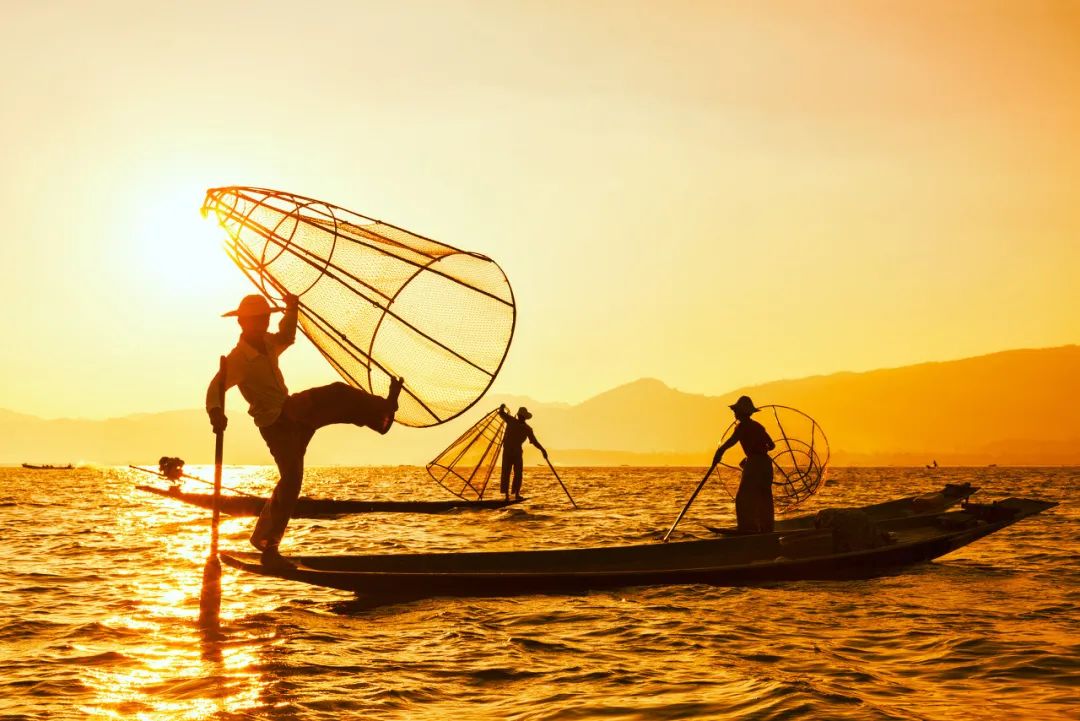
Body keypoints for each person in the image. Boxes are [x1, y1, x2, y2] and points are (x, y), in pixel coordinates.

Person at [206, 293, 403, 569]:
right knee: (291, 479)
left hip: (292, 411)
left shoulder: (267, 343)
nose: (261, 324)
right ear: (242, 323)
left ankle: (381, 412)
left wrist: (292, 307)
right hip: (276, 423)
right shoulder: (238, 359)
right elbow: (216, 388)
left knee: (336, 396)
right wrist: (216, 413)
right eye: (255, 320)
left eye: (263, 319)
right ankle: (267, 544)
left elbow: (286, 336)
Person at [712, 395, 776, 533]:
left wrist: (719, 452)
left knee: (743, 498)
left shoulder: (741, 427)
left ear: (742, 412)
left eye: (736, 411)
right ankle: (766, 528)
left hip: (754, 465)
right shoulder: (758, 426)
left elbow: (730, 442)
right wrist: (759, 451)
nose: (734, 413)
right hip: (766, 464)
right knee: (764, 497)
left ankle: (747, 528)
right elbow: (772, 445)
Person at [497, 403, 547, 501]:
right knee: (506, 472)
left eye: (522, 416)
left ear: (524, 417)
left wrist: (542, 450)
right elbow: (501, 413)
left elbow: (534, 442)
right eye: (520, 416)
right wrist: (502, 407)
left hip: (516, 452)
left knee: (518, 473)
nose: (520, 417)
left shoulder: (527, 428)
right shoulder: (511, 420)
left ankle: (516, 494)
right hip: (508, 451)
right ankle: (507, 496)